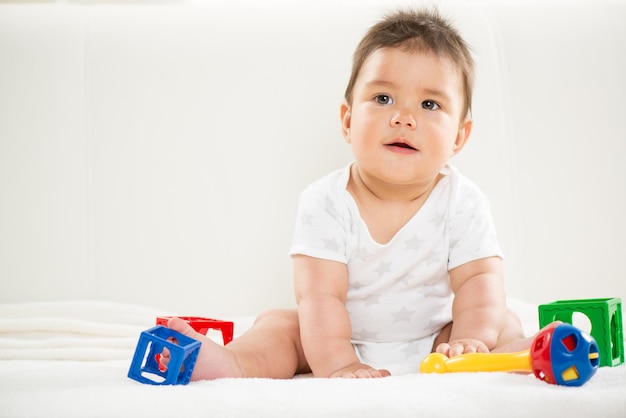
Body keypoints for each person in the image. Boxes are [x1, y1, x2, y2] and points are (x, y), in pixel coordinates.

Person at [167, 7, 530, 380]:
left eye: (429, 104)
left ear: (458, 136)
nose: (404, 117)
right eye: (384, 98)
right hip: (336, 340)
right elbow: (320, 298)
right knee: (280, 328)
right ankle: (233, 363)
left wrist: (468, 340)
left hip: (438, 339)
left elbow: (478, 283)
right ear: (348, 120)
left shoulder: (463, 201)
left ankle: (530, 354)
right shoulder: (325, 202)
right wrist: (341, 364)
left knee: (500, 320)